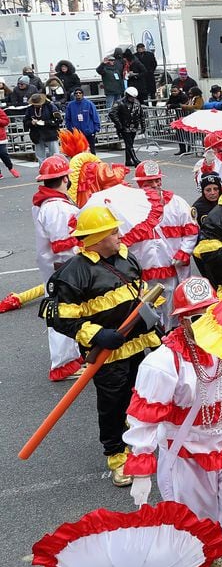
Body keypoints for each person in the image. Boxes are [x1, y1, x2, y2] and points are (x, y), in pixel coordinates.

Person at [122, 277, 222, 567]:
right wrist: (141, 470)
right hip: (187, 452)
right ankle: (208, 559)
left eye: (209, 312)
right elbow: (144, 420)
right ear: (182, 320)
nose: (204, 322)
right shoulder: (162, 363)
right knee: (197, 512)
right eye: (195, 316)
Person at [45, 203, 161, 485]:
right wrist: (96, 335)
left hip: (138, 343)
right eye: (112, 232)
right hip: (107, 354)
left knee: (139, 394)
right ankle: (117, 456)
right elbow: (60, 319)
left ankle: (135, 434)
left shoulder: (126, 257)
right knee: (112, 404)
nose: (119, 235)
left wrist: (149, 314)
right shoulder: (73, 274)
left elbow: (142, 292)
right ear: (95, 240)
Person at [125, 161, 198, 326]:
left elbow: (191, 231)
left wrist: (184, 252)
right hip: (143, 271)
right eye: (149, 183)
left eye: (157, 181)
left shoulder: (177, 203)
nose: (155, 185)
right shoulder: (130, 207)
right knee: (148, 311)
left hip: (172, 269)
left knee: (174, 307)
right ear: (139, 184)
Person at [33, 155, 82, 381]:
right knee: (63, 312)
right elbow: (64, 244)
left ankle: (70, 359)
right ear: (64, 178)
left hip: (55, 268)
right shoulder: (57, 207)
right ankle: (64, 364)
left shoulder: (47, 203)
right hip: (63, 268)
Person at [109, 87, 145, 167]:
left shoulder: (137, 102)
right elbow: (112, 113)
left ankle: (128, 160)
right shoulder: (119, 102)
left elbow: (141, 114)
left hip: (134, 126)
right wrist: (119, 125)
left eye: (134, 97)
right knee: (129, 144)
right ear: (127, 95)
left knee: (130, 143)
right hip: (124, 127)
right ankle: (135, 160)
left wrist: (143, 125)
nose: (133, 99)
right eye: (131, 97)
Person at [24, 91, 62, 162]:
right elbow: (26, 121)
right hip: (37, 135)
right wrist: (31, 122)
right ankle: (42, 171)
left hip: (50, 134)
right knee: (40, 156)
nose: (36, 105)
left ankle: (57, 169)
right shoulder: (30, 109)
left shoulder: (50, 106)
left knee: (55, 154)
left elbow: (58, 120)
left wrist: (45, 123)